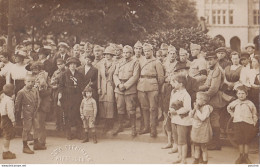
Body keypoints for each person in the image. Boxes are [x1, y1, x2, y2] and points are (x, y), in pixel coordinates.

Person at [199, 51, 228, 150]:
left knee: (214, 120)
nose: (209, 62)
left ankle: (216, 144)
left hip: (215, 98)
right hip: (212, 96)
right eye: (208, 60)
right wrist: (198, 88)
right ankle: (213, 141)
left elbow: (214, 89)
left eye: (211, 59)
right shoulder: (212, 69)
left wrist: (204, 96)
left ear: (216, 60)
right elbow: (207, 84)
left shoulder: (217, 70)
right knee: (211, 119)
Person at [112, 45, 140, 137]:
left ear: (131, 53)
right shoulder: (119, 62)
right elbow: (115, 74)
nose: (125, 54)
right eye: (124, 52)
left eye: (127, 52)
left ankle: (133, 128)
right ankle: (120, 126)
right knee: (120, 108)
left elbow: (135, 76)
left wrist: (125, 85)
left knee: (131, 109)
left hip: (129, 89)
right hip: (119, 88)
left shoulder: (135, 62)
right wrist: (119, 84)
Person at [137, 43, 164, 137]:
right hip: (141, 86)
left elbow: (161, 78)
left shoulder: (157, 62)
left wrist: (157, 88)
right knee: (144, 108)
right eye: (145, 51)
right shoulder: (141, 61)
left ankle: (153, 129)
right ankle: (146, 127)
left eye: (148, 50)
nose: (146, 52)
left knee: (153, 108)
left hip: (152, 87)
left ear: (152, 51)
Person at [227, 85, 258, 164]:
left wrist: (254, 122)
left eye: (243, 93)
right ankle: (241, 156)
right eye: (239, 93)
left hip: (248, 124)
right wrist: (232, 114)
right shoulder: (235, 103)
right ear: (237, 94)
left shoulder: (250, 103)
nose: (241, 95)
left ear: (246, 94)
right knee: (240, 140)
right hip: (237, 123)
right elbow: (228, 108)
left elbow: (254, 113)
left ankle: (246, 157)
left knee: (246, 140)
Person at [15, 74, 45, 154]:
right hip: (26, 113)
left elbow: (38, 99)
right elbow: (17, 105)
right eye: (28, 81)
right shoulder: (21, 92)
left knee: (37, 127)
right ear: (25, 82)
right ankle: (25, 146)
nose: (30, 83)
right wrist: (17, 116)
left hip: (34, 112)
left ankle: (36, 143)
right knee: (26, 129)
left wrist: (37, 107)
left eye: (32, 81)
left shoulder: (35, 90)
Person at [58, 57, 85, 140]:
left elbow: (82, 86)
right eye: (71, 64)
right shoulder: (64, 74)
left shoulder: (79, 74)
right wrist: (60, 97)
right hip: (67, 97)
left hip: (77, 96)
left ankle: (79, 133)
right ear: (68, 66)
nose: (73, 66)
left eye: (74, 64)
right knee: (67, 115)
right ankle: (68, 133)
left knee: (77, 114)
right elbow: (61, 86)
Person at [169, 74, 192, 164]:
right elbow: (172, 105)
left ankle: (183, 159)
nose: (173, 84)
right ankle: (179, 156)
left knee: (182, 141)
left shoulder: (186, 95)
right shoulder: (175, 92)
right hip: (175, 119)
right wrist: (171, 111)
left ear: (181, 84)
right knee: (178, 140)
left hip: (182, 121)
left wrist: (177, 112)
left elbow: (187, 108)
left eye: (175, 82)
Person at [161, 45, 178, 150]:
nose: (172, 55)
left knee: (174, 113)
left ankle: (175, 142)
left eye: (173, 53)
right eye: (170, 53)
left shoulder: (179, 64)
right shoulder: (163, 64)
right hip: (165, 89)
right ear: (167, 54)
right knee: (165, 112)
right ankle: (168, 141)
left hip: (175, 89)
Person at [189, 92, 213, 164]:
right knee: (196, 146)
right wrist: (194, 109)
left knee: (203, 147)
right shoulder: (197, 108)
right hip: (196, 130)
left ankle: (205, 161)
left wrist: (197, 110)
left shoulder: (206, 108)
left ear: (204, 101)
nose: (196, 100)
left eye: (199, 99)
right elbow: (190, 116)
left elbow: (202, 118)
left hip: (203, 130)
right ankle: (196, 159)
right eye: (196, 98)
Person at [98, 46, 116, 133]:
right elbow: (99, 77)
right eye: (106, 54)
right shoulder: (101, 64)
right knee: (103, 103)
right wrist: (98, 87)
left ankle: (110, 122)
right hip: (102, 86)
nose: (107, 56)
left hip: (110, 85)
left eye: (109, 54)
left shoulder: (115, 64)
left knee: (110, 103)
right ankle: (105, 121)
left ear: (112, 55)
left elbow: (116, 75)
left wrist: (114, 85)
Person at [0, 84, 16, 159]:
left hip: (3, 118)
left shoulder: (3, 99)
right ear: (11, 92)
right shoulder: (9, 101)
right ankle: (5, 152)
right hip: (7, 119)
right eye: (13, 90)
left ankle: (5, 150)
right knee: (7, 135)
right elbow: (10, 112)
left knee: (6, 134)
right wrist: (13, 120)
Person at [51, 58, 66, 131]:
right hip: (57, 91)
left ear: (64, 64)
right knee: (57, 108)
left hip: (65, 91)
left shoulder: (67, 71)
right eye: (58, 65)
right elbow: (52, 82)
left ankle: (64, 125)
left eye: (61, 64)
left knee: (64, 109)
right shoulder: (55, 73)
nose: (59, 66)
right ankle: (58, 124)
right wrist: (55, 85)